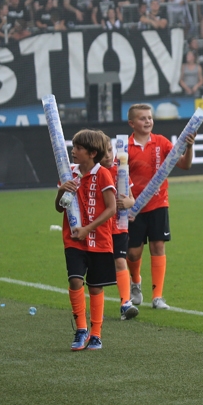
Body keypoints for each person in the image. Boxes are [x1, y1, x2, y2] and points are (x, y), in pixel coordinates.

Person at [125, 103, 195, 311]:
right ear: (132, 123)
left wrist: (189, 147)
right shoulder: (125, 148)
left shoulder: (161, 142)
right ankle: (136, 282)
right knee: (133, 252)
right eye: (142, 118)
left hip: (158, 203)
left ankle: (158, 296)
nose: (147, 121)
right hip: (133, 207)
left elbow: (185, 164)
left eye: (149, 117)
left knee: (158, 246)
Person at [55, 129, 118, 351]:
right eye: (73, 147)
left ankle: (96, 333)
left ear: (92, 153)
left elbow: (111, 208)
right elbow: (59, 208)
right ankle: (81, 329)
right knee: (75, 280)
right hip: (74, 240)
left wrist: (88, 229)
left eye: (78, 148)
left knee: (96, 287)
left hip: (99, 240)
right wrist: (61, 191)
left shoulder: (103, 174)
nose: (73, 151)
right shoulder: (68, 173)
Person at [101, 141, 139, 321]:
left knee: (120, 261)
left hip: (119, 227)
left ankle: (125, 303)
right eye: (104, 152)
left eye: (110, 150)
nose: (108, 155)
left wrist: (128, 204)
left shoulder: (121, 171)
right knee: (97, 267)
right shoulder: (94, 173)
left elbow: (132, 199)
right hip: (99, 228)